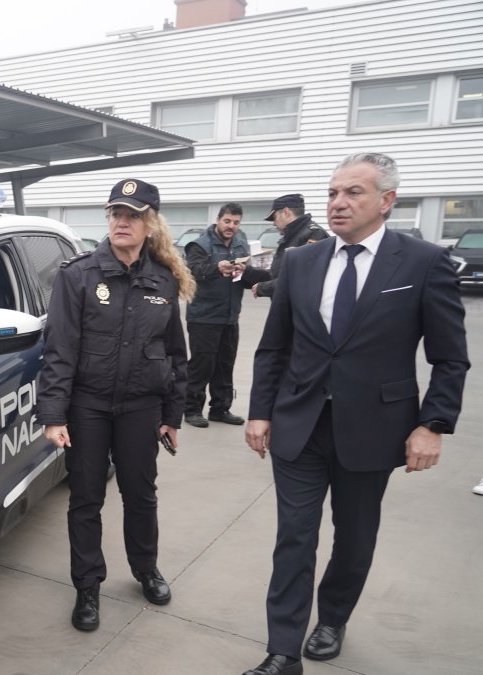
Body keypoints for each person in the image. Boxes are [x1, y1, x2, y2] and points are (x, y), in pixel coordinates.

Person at [241, 152, 468, 675]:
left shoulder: (421, 263)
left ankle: (334, 617)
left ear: (387, 201)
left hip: (374, 428)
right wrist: (259, 411)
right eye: (333, 193)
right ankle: (282, 650)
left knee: (355, 535)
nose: (338, 203)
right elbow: (274, 347)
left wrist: (431, 424)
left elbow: (450, 356)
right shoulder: (300, 261)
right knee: (294, 536)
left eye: (353, 193)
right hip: (299, 424)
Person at [36, 178, 193, 633]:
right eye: (115, 214)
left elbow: (175, 354)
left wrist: (171, 415)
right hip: (87, 406)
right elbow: (59, 349)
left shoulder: (162, 280)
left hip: (141, 408)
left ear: (150, 224)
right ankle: (87, 587)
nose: (122, 222)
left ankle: (146, 568)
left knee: (141, 496)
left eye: (133, 215)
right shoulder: (78, 275)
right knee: (85, 499)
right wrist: (53, 415)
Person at [182, 203, 271, 428]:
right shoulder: (200, 245)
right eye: (228, 221)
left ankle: (220, 409)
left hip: (230, 317)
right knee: (202, 365)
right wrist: (216, 268)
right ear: (218, 220)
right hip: (204, 317)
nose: (231, 226)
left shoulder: (241, 245)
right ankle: (191, 409)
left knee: (225, 365)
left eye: (236, 222)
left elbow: (243, 279)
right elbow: (193, 271)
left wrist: (254, 277)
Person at [252, 194, 329, 299]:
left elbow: (302, 278)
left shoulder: (314, 235)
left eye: (274, 218)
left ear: (286, 213)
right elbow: (276, 274)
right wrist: (246, 272)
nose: (274, 223)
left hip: (300, 310)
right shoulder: (291, 237)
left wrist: (263, 288)